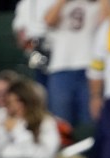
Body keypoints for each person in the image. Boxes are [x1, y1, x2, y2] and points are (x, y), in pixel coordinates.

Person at [42, 0, 100, 128]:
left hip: (90, 69)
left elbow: (107, 22)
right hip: (61, 67)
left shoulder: (96, 4)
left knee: (90, 124)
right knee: (61, 123)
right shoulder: (59, 3)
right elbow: (48, 21)